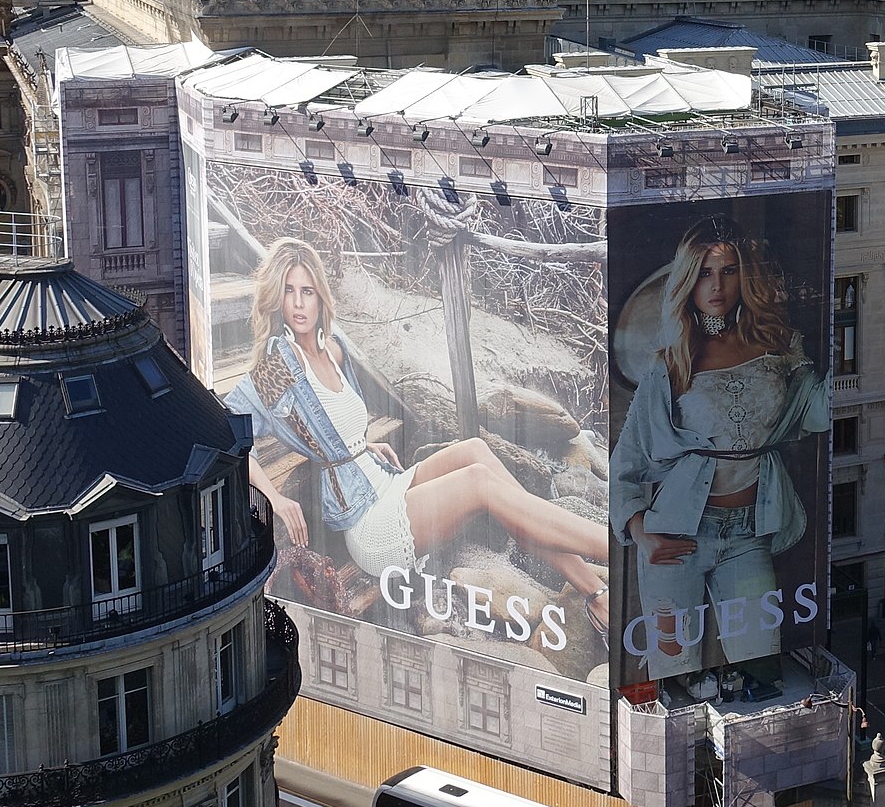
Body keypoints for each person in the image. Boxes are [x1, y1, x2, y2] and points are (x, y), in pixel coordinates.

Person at [230, 240, 612, 629]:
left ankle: (595, 593)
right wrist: (275, 498)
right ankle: (618, 545)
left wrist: (360, 445)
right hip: (368, 523)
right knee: (480, 482)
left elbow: (337, 422)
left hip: (383, 481)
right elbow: (229, 426)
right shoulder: (280, 362)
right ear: (277, 299)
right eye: (289, 292)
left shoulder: (334, 350)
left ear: (319, 297)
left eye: (306, 291)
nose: (297, 303)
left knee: (475, 450)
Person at [610, 222, 830, 692]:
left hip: (750, 535)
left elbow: (821, 412)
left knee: (761, 665)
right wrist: (639, 532)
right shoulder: (670, 361)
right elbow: (626, 460)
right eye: (705, 272)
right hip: (675, 537)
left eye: (728, 271)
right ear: (688, 280)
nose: (716, 285)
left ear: (742, 277)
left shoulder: (780, 346)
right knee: (672, 673)